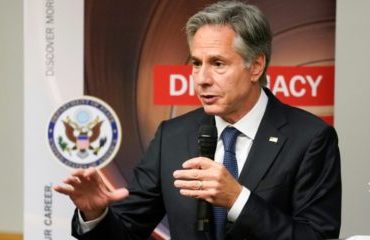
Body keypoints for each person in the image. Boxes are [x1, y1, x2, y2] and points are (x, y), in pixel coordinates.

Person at [54, 1, 341, 239]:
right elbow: (127, 231)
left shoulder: (310, 138)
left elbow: (317, 237)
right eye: (195, 64)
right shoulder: (173, 136)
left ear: (255, 66)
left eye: (218, 64)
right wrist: (95, 214)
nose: (202, 79)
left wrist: (238, 200)